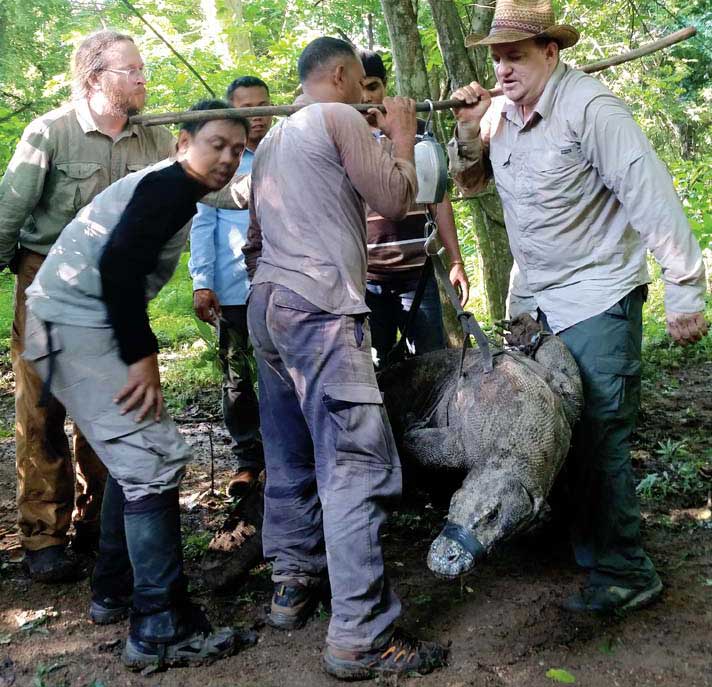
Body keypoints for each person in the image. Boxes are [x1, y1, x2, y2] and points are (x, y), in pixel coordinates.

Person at [448, 0, 708, 613]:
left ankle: (623, 570)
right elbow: (471, 182)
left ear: (550, 53)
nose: (504, 69)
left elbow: (650, 194)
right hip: (534, 301)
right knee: (545, 428)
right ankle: (577, 544)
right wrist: (466, 129)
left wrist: (685, 289)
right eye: (497, 58)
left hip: (598, 294)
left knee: (596, 433)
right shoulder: (501, 115)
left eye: (517, 56)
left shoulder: (593, 110)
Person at [22, 100, 255, 670]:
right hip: (77, 325)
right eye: (215, 145)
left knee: (142, 458)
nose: (226, 157)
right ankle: (159, 626)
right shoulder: (168, 187)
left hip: (68, 321)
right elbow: (120, 266)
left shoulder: (176, 186)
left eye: (236, 148)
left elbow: (241, 194)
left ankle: (116, 589)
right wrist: (142, 356)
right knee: (151, 463)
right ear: (182, 143)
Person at [244, 37, 447, 680]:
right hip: (320, 311)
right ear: (339, 76)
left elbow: (253, 240)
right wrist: (405, 134)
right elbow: (394, 199)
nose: (369, 98)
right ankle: (362, 635)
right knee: (353, 462)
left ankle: (292, 582)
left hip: (269, 307)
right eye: (363, 85)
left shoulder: (274, 139)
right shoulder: (334, 118)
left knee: (289, 451)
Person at [0, 30, 175, 582]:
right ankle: (43, 536)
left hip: (116, 291)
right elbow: (9, 213)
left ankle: (103, 523)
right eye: (132, 69)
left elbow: (206, 185)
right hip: (47, 283)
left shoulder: (156, 140)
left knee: (115, 408)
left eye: (143, 68)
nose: (144, 77)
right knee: (43, 408)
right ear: (96, 78)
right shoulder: (50, 132)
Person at [359, 49, 469, 368]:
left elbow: (439, 197)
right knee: (374, 368)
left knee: (432, 363)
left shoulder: (417, 130)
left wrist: (456, 260)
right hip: (366, 279)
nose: (367, 96)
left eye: (374, 86)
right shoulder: (345, 137)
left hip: (417, 275)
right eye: (360, 86)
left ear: (385, 86)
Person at [189, 75, 272, 498]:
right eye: (246, 109)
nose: (257, 117)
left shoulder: (285, 151)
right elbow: (202, 224)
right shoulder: (223, 163)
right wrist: (202, 282)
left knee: (282, 372)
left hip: (278, 287)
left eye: (263, 106)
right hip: (233, 288)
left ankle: (284, 451)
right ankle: (247, 459)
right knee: (237, 378)